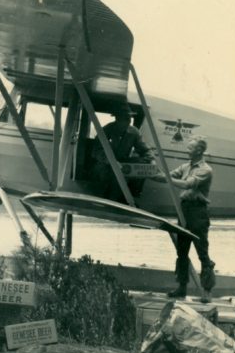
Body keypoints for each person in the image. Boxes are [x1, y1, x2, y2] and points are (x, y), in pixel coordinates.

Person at [153, 136, 216, 303]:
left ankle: (207, 291)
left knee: (202, 251)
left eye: (190, 148)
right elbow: (165, 176)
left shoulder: (205, 170)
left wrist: (167, 178)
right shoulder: (185, 166)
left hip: (198, 212)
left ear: (199, 151)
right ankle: (181, 288)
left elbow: (187, 184)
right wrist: (150, 171)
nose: (186, 150)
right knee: (181, 250)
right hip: (185, 209)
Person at [91, 107, 154, 202]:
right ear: (117, 119)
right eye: (125, 119)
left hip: (123, 163)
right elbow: (96, 151)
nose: (129, 121)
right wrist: (111, 162)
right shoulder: (106, 130)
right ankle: (105, 200)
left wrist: (151, 160)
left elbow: (144, 149)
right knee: (104, 176)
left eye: (129, 118)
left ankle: (131, 197)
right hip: (105, 163)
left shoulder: (134, 132)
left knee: (143, 167)